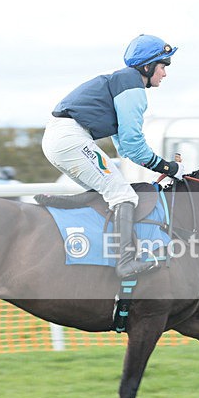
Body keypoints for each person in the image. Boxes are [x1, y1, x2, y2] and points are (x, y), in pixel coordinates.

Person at [42, 34, 184, 279]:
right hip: (70, 138)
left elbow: (127, 148)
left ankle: (69, 204)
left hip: (62, 138)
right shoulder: (132, 86)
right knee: (123, 194)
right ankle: (126, 263)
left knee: (111, 193)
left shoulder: (123, 82)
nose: (165, 73)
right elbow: (132, 143)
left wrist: (158, 164)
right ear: (148, 67)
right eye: (163, 66)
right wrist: (169, 167)